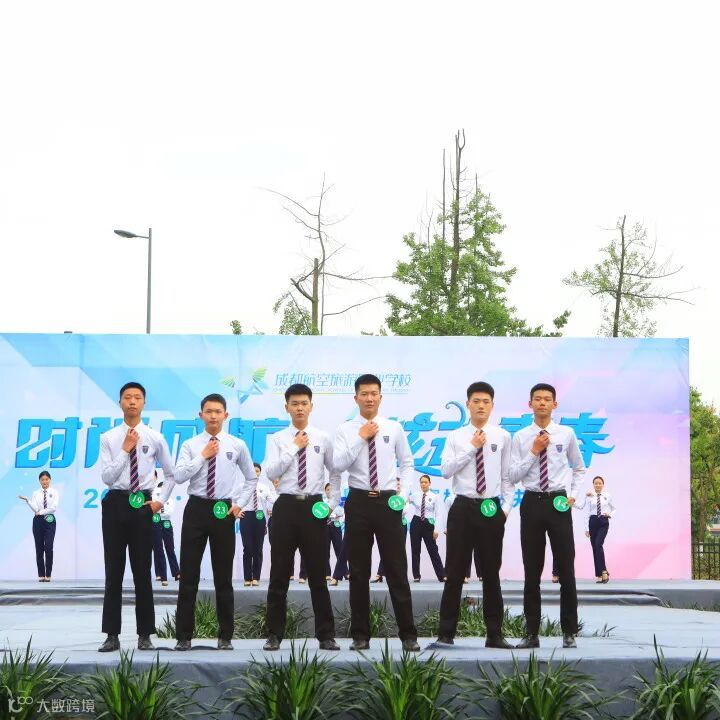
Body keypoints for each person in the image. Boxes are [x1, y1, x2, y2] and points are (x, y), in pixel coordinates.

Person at [333, 374, 419, 652]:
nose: (369, 398)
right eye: (364, 394)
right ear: (355, 397)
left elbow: (407, 463)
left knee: (396, 568)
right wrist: (361, 438)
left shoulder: (394, 428)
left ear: (381, 397)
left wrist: (402, 497)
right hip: (358, 501)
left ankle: (408, 635)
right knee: (358, 571)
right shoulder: (345, 430)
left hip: (387, 501)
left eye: (374, 394)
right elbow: (338, 465)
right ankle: (360, 636)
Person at [172, 393, 257, 651]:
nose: (213, 416)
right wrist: (203, 455)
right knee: (189, 575)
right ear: (201, 415)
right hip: (196, 509)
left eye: (218, 411)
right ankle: (183, 637)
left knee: (223, 576)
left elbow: (251, 478)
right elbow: (178, 476)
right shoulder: (190, 445)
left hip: (223, 510)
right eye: (208, 411)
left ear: (225, 415)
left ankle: (225, 636)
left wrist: (239, 504)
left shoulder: (236, 444)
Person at [98, 381, 176, 653]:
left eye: (137, 397)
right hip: (116, 503)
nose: (132, 401)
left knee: (142, 571)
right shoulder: (108, 437)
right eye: (127, 397)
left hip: (142, 503)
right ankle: (112, 635)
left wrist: (159, 501)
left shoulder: (155, 437)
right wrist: (125, 449)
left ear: (144, 403)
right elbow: (107, 477)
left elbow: (171, 474)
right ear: (120, 402)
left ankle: (145, 634)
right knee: (114, 571)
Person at [436, 381, 515, 649]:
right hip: (462, 507)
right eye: (476, 401)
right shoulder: (456, 436)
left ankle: (494, 635)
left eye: (486, 402)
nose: (481, 406)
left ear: (492, 405)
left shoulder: (502, 436)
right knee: (455, 572)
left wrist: (505, 509)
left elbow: (507, 477)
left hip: (490, 507)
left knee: (491, 573)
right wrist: (471, 447)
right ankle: (446, 634)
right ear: (467, 404)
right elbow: (446, 470)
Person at [263, 383, 341, 651]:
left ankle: (326, 635)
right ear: (286, 407)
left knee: (318, 574)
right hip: (285, 505)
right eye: (294, 403)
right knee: (279, 574)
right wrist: (293, 448)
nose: (299, 408)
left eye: (304, 403)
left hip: (314, 506)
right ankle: (274, 634)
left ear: (311, 406)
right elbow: (271, 472)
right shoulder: (277, 438)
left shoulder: (323, 438)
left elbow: (335, 472)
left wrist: (332, 503)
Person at [510, 383, 585, 649]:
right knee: (532, 571)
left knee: (566, 568)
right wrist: (534, 451)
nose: (542, 403)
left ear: (555, 404)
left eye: (547, 399)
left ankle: (569, 631)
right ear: (529, 404)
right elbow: (513, 476)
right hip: (531, 501)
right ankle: (531, 633)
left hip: (558, 502)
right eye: (538, 399)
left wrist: (573, 495)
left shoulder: (566, 433)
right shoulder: (521, 437)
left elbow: (579, 468)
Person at [18, 471, 59, 582]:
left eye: (46, 479)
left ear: (50, 480)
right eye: (42, 480)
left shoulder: (54, 492)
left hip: (50, 519)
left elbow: (53, 508)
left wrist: (40, 512)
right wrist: (28, 501)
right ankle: (41, 574)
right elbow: (35, 509)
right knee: (39, 548)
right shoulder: (36, 493)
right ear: (39, 481)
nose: (44, 481)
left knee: (49, 547)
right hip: (38, 521)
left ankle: (48, 575)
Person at [239, 463, 275, 586]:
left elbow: (274, 501)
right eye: (253, 470)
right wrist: (237, 512)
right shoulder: (242, 486)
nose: (255, 473)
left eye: (257, 471)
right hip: (246, 517)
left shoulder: (264, 487)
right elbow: (232, 500)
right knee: (247, 548)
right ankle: (247, 578)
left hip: (260, 517)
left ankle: (256, 578)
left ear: (260, 473)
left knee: (258, 549)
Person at [408, 475, 446, 582]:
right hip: (416, 522)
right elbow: (404, 501)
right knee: (415, 550)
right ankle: (416, 576)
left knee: (433, 550)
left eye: (425, 482)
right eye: (421, 482)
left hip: (428, 524)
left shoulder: (435, 496)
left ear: (429, 483)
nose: (423, 484)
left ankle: (442, 575)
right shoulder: (415, 495)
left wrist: (436, 529)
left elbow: (438, 514)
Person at [581, 475, 614, 583]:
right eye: (596, 483)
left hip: (603, 521)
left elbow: (614, 508)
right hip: (593, 522)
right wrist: (586, 528)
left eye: (600, 483)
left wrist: (610, 514)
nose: (598, 485)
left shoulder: (607, 496)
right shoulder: (589, 496)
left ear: (603, 485)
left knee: (598, 544)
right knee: (594, 548)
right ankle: (599, 574)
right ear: (593, 485)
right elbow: (585, 511)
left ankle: (604, 571)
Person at [443, 491, 482, 583]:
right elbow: (446, 514)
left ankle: (465, 575)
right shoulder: (450, 499)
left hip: (469, 526)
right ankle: (448, 574)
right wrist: (446, 528)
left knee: (467, 551)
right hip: (454, 526)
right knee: (452, 551)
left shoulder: (472, 497)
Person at [151, 471, 180, 586]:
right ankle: (161, 574)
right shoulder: (151, 492)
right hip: (155, 520)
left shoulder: (168, 497)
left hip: (166, 521)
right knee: (158, 548)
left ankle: (176, 572)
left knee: (169, 548)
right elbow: (153, 508)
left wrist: (160, 510)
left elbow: (169, 510)